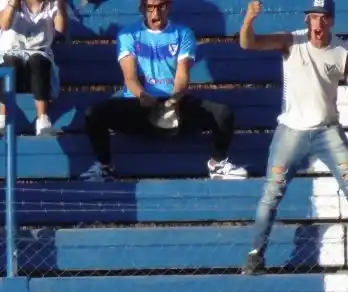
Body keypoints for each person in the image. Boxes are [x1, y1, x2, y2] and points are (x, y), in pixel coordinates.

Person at [239, 0, 348, 274]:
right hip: (291, 131)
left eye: (323, 18)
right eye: (312, 18)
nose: (317, 24)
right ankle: (255, 254)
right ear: (306, 20)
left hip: (328, 129)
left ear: (331, 20)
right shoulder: (291, 41)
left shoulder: (343, 51)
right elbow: (248, 44)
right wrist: (248, 20)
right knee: (271, 193)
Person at [81, 0, 248, 182]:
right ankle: (105, 167)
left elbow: (183, 74)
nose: (156, 13)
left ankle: (217, 164)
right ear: (142, 8)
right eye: (150, 7)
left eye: (161, 6)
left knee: (222, 113)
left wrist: (175, 99)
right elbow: (130, 77)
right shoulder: (127, 35)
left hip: (174, 105)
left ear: (168, 7)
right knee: (94, 114)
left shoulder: (183, 34)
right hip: (139, 106)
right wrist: (143, 96)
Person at [0, 0, 67, 136]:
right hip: (10, 54)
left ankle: (42, 120)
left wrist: (60, 6)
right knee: (11, 63)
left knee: (38, 60)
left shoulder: (51, 3)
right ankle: (2, 118)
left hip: (38, 58)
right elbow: (4, 24)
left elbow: (60, 28)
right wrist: (13, 3)